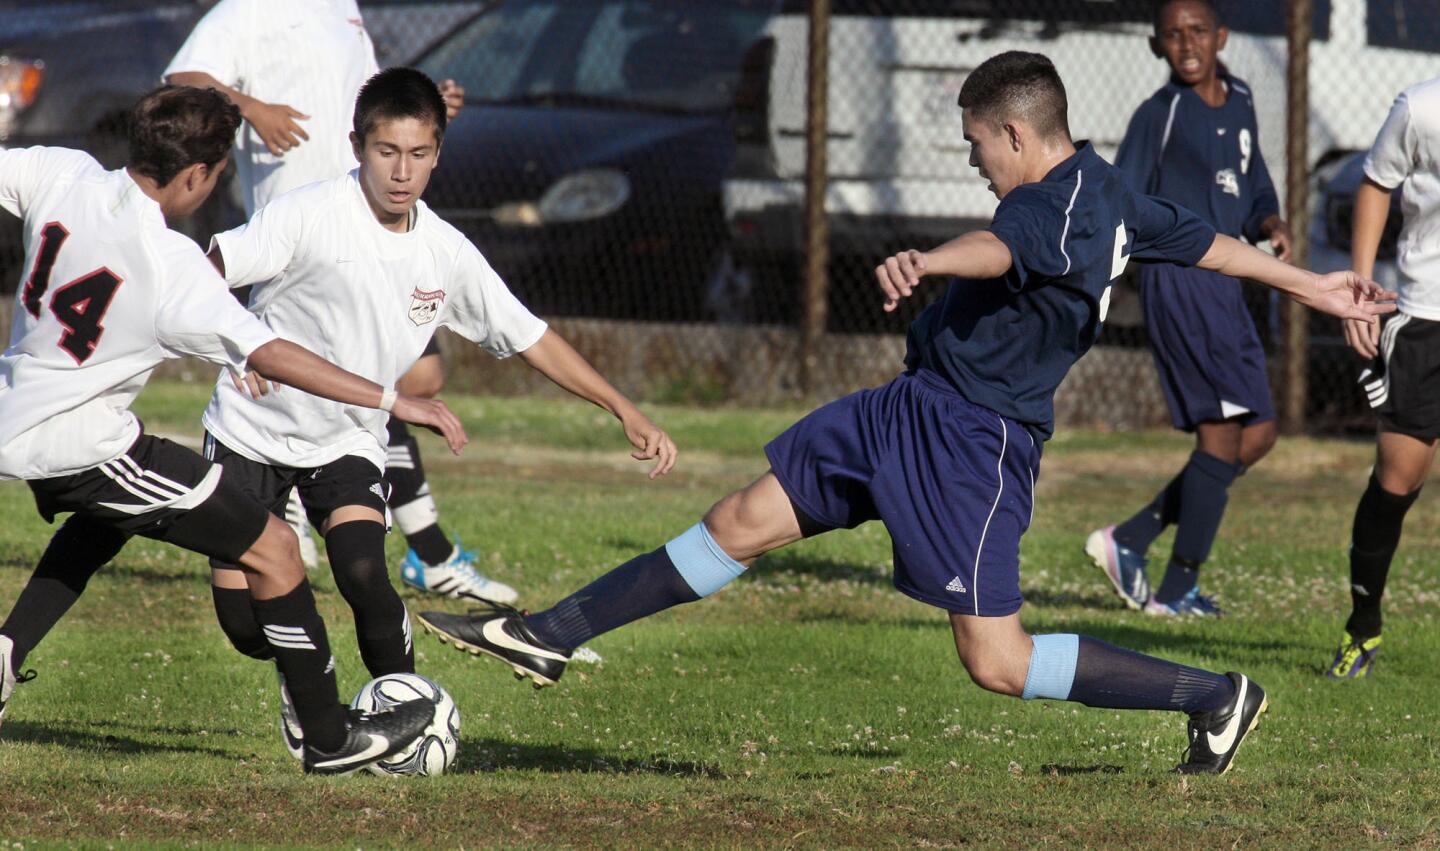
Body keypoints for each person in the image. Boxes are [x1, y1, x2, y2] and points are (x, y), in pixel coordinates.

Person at [417, 51, 1394, 774]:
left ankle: (1213, 694)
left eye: (977, 144)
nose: (975, 160)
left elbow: (998, 246)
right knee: (741, 521)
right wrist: (1317, 286)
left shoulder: (1054, 206)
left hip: (974, 441)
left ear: (1017, 134)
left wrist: (929, 260)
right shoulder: (1113, 196)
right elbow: (1213, 246)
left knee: (996, 660)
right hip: (908, 409)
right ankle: (551, 631)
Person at [199, 67, 675, 758]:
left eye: (419, 154)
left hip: (346, 437)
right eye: (387, 152)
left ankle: (409, 714)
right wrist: (235, 342)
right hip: (248, 431)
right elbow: (211, 264)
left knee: (363, 568)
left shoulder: (444, 252)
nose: (402, 171)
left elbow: (529, 333)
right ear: (357, 145)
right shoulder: (306, 214)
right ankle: (306, 674)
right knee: (244, 626)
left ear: (438, 154)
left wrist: (622, 408)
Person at [0, 85, 469, 774]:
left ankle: (6, 652)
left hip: (22, 409)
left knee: (113, 516)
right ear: (197, 175)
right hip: (79, 441)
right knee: (275, 546)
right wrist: (390, 399)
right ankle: (331, 738)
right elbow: (275, 353)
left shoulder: (59, 173)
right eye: (216, 175)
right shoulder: (172, 266)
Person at [162, 0, 506, 604]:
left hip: (368, 231)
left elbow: (355, 105)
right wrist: (254, 110)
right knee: (379, 386)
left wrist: (421, 118)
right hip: (305, 246)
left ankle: (416, 546)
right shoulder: (251, 10)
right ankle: (427, 551)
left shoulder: (341, 9)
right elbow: (184, 77)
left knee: (411, 377)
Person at [1086, 0, 1292, 617]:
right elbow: (1120, 195)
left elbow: (1252, 180)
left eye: (1198, 31)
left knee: (1257, 435)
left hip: (1229, 282)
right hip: (1183, 280)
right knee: (1224, 434)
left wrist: (1270, 219)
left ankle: (1132, 539)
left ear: (1221, 36)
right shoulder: (1160, 114)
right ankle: (1176, 591)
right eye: (1172, 35)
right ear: (1157, 46)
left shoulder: (1243, 97)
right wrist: (1111, 274)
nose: (1187, 44)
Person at [1324, 75, 1440, 679]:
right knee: (1397, 479)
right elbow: (1376, 184)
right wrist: (1362, 288)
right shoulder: (1421, 106)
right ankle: (1362, 629)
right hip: (1425, 318)